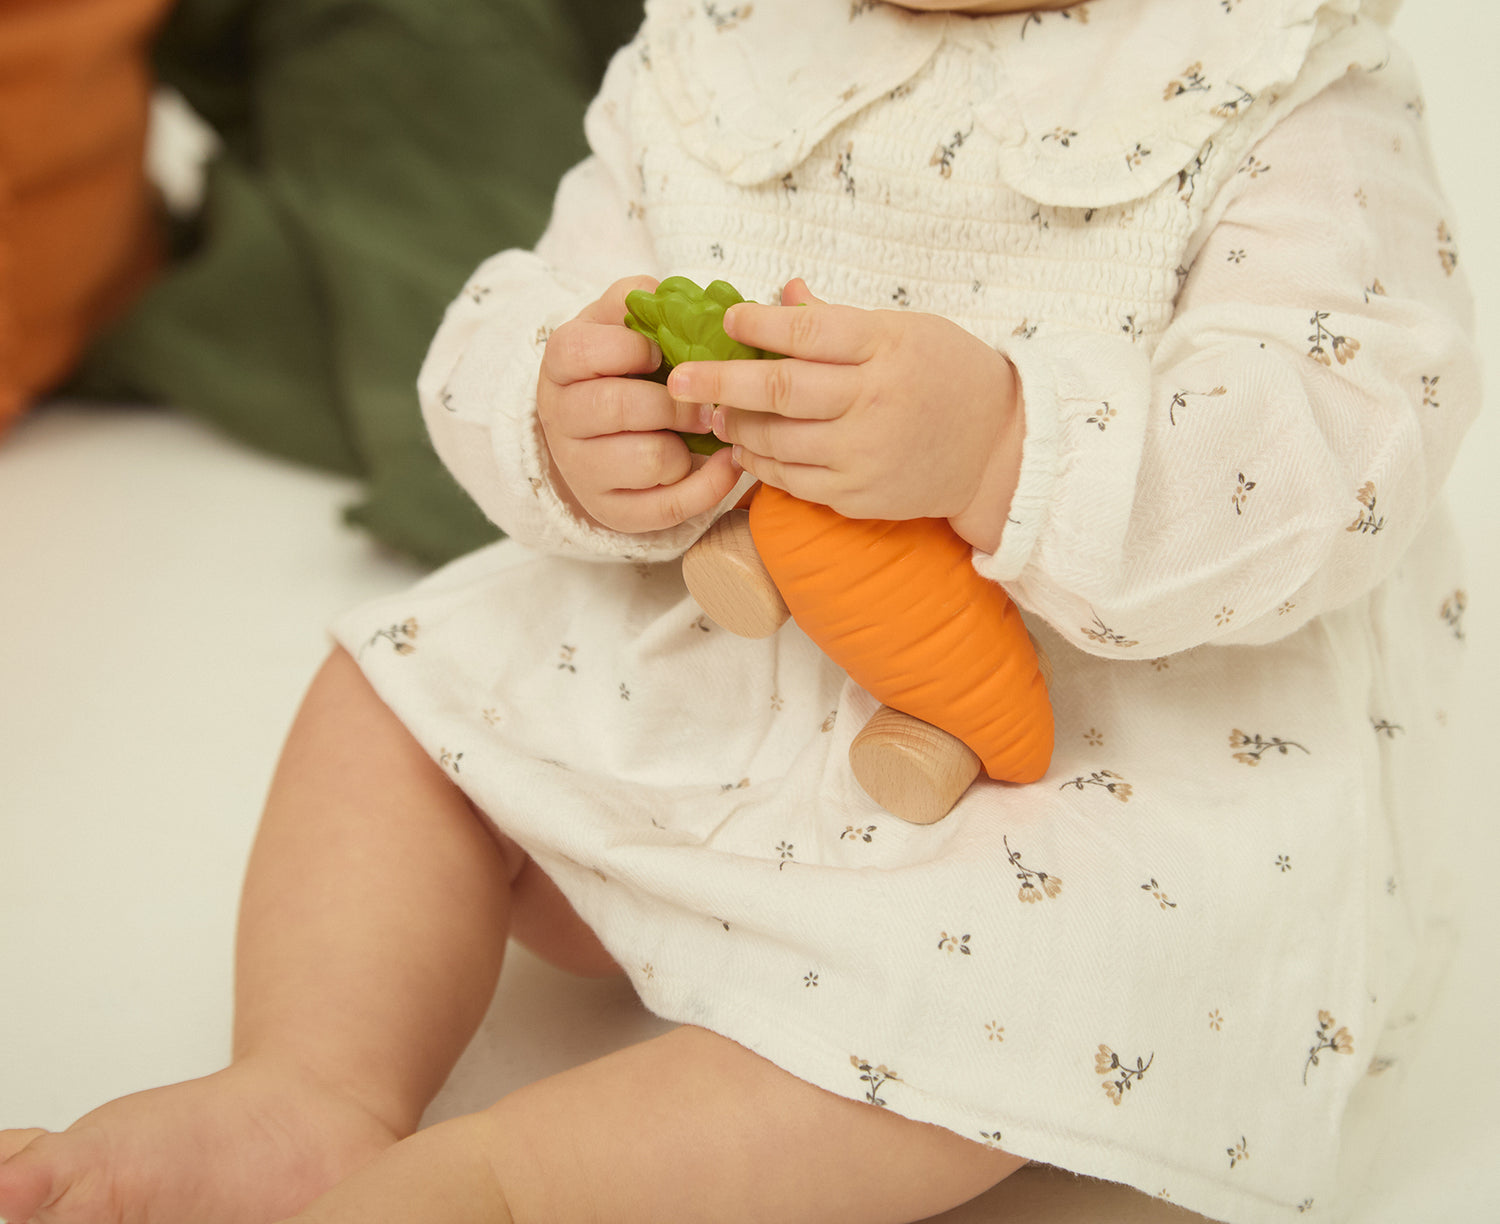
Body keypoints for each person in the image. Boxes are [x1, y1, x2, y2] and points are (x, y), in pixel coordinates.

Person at [0, 0, 1478, 1220]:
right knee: (390, 705)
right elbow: (540, 298)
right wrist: (565, 413)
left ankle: (516, 1187)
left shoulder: (1278, 71)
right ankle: (311, 1088)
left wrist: (1007, 447)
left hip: (1071, 740)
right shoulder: (732, 45)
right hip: (728, 646)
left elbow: (1346, 450)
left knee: (1046, 979)